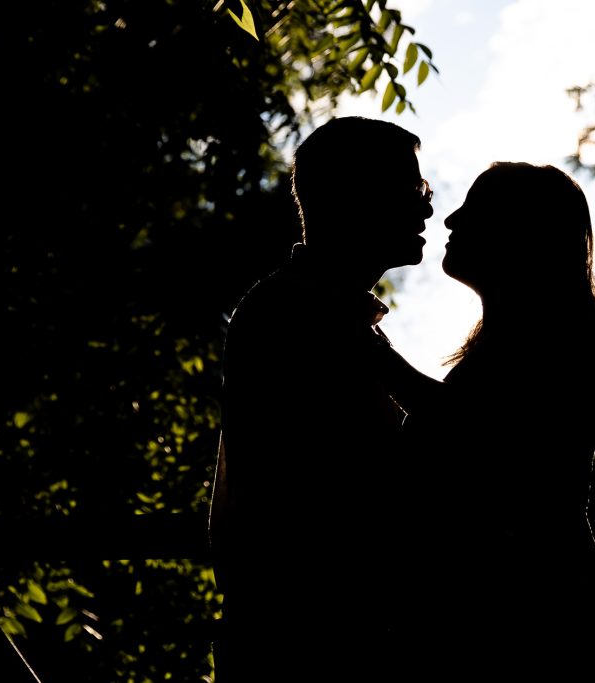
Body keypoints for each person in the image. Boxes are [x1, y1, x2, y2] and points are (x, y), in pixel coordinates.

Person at [367, 162, 595, 680]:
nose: (451, 221)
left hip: (527, 611)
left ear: (520, 234)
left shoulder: (551, 342)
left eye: (475, 209)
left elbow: (469, 431)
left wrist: (375, 355)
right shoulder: (531, 342)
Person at [208, 116, 433, 680]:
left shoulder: (319, 311)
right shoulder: (300, 314)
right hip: (309, 646)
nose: (428, 210)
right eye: (414, 193)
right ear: (356, 199)